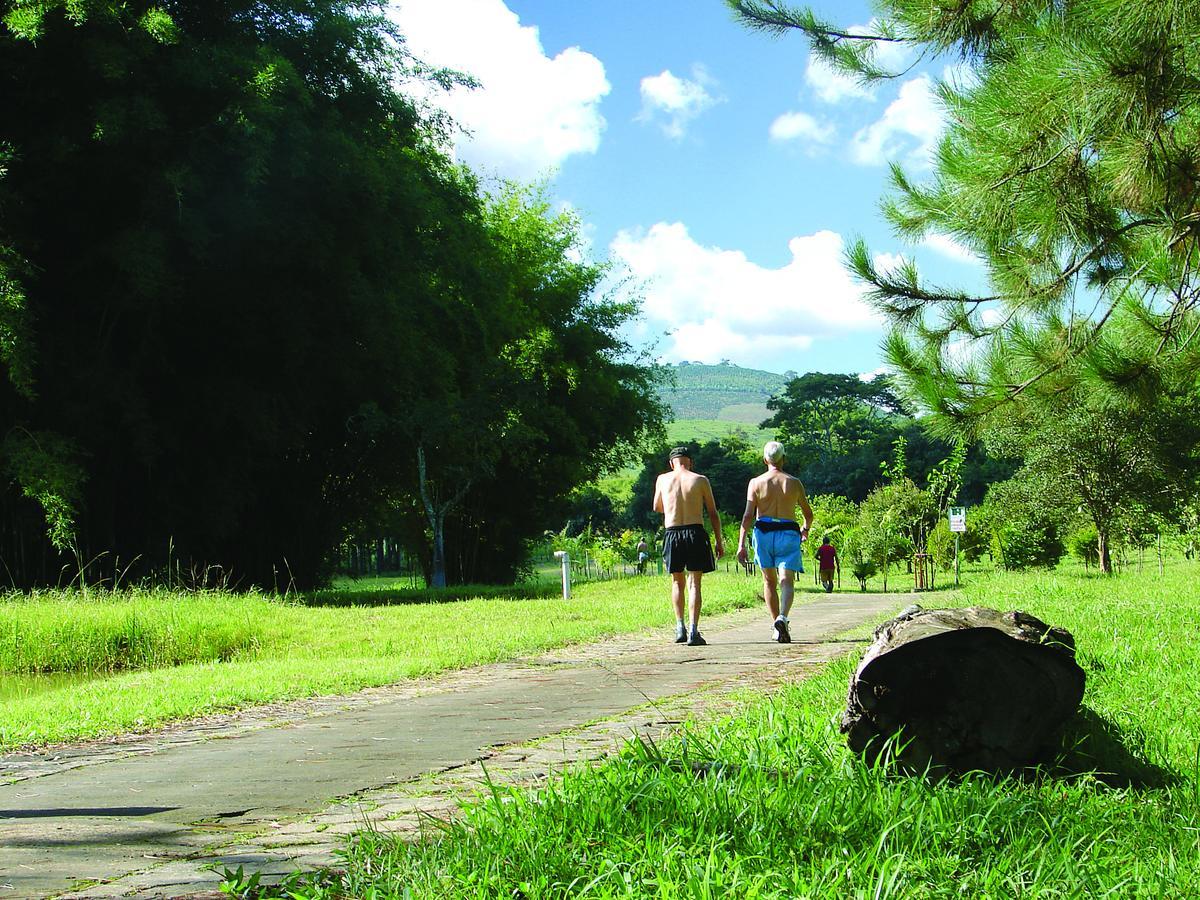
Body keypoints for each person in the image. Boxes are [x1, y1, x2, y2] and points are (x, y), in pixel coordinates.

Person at [737, 440, 814, 643]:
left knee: (769, 581)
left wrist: (741, 544)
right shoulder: (794, 482)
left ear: (765, 460)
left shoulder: (755, 483)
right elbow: (808, 514)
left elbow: (747, 516)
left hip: (763, 533)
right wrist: (804, 530)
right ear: (784, 459)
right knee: (786, 580)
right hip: (788, 532)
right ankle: (783, 617)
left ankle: (776, 626)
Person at [653, 446, 723, 646]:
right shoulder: (700, 480)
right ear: (689, 462)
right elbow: (712, 512)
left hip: (672, 531)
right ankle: (693, 630)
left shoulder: (662, 479)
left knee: (677, 582)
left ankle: (679, 626)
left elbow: (657, 506)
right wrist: (718, 540)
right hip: (695, 531)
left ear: (671, 463)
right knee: (695, 583)